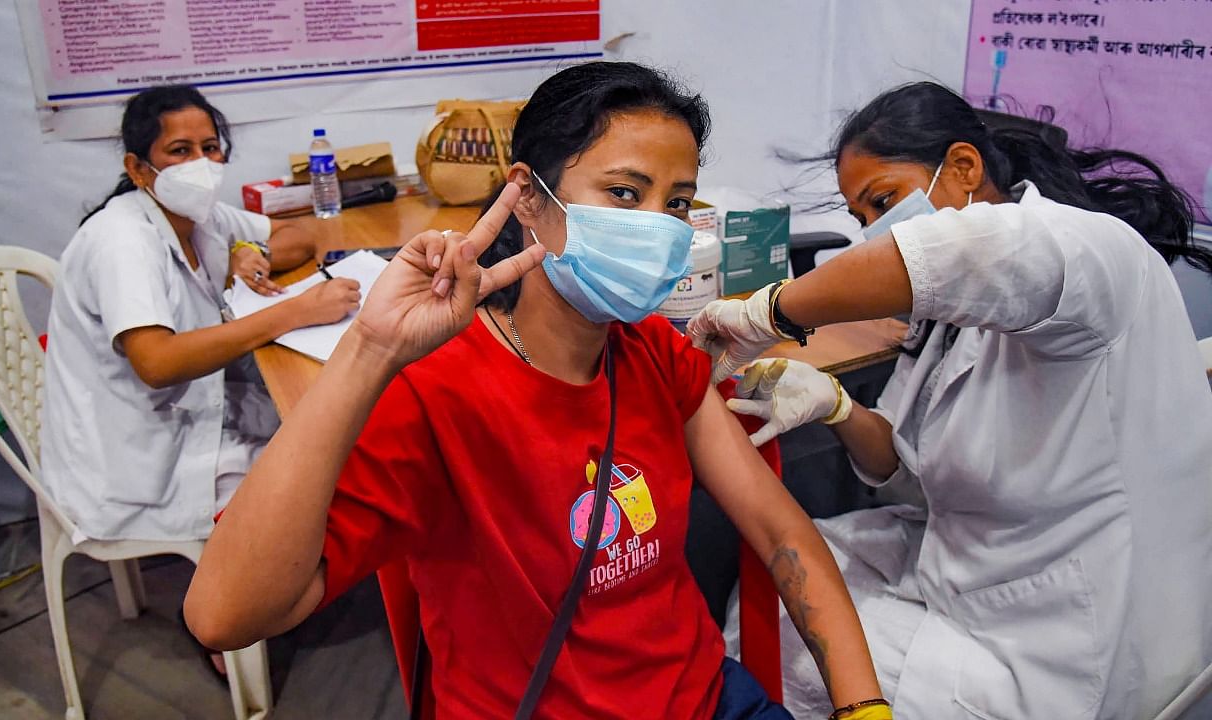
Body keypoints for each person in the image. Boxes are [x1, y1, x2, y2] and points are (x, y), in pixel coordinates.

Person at [185, 62, 890, 720]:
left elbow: (781, 530)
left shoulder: (650, 353)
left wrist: (864, 709)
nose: (655, 226)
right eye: (623, 193)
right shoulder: (434, 390)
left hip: (703, 696)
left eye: (675, 203)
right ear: (528, 197)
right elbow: (225, 614)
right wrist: (368, 353)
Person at [689, 81, 1212, 719]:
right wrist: (841, 410)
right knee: (784, 578)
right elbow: (913, 480)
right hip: (975, 566)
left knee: (794, 642)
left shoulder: (1089, 250)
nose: (874, 236)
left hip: (1069, 642)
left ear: (964, 168)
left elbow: (962, 253)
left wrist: (769, 309)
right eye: (861, 220)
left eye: (882, 203)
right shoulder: (943, 325)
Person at [41, 83, 360, 544]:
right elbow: (157, 362)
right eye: (179, 151)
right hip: (136, 460)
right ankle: (241, 607)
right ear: (138, 168)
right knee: (321, 478)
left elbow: (299, 237)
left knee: (338, 434)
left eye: (209, 148)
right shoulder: (121, 240)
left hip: (196, 415)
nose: (200, 164)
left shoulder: (200, 218)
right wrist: (293, 312)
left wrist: (252, 250)